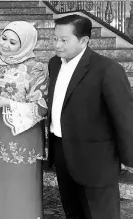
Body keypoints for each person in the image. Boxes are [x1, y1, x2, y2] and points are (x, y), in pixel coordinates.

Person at [48, 14, 133, 219]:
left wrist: (129, 158)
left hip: (96, 159)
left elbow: (124, 117)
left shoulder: (107, 69)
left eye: (64, 40)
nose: (57, 44)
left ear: (84, 40)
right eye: (54, 38)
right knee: (72, 210)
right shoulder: (55, 64)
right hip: (62, 150)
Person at [0, 21, 48, 219]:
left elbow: (41, 107)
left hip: (22, 141)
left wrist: (8, 103)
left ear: (25, 45)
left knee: (20, 190)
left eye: (12, 42)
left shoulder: (35, 68)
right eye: (3, 38)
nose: (4, 45)